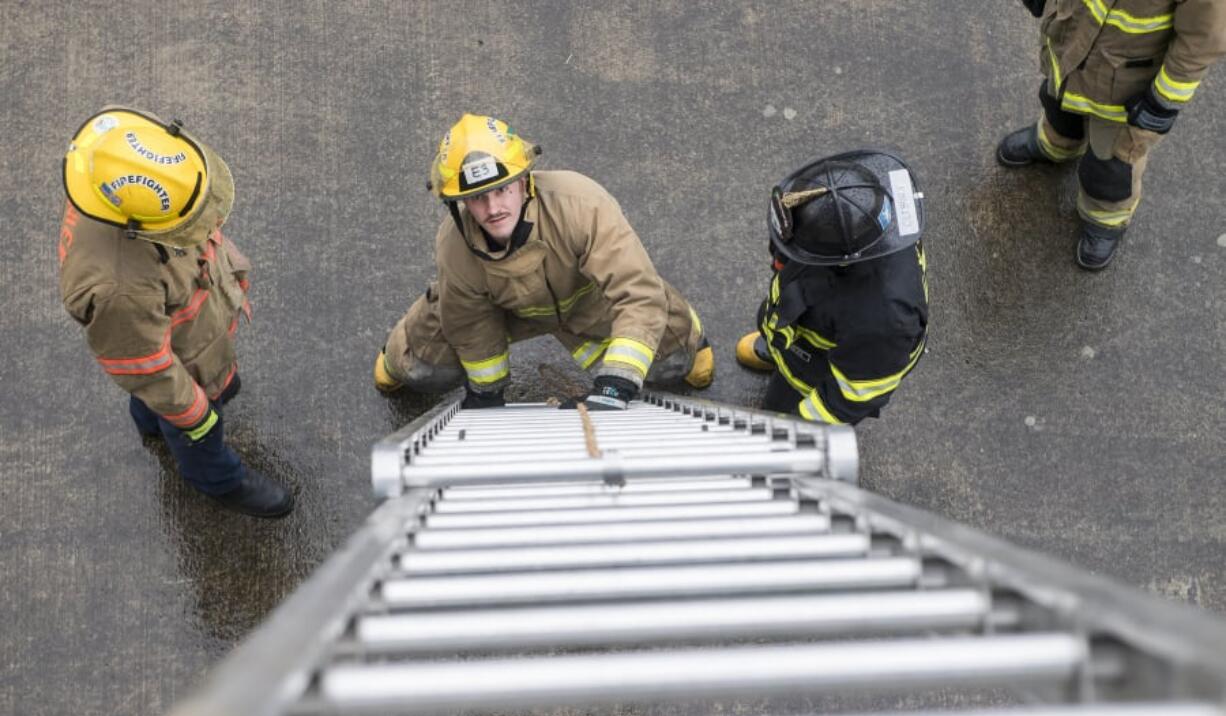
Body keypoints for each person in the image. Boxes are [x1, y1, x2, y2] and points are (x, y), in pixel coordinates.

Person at [374, 113, 714, 411]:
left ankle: (689, 343)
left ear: (524, 181)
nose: (493, 209)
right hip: (505, 312)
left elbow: (637, 293)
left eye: (502, 189)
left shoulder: (582, 204)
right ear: (459, 202)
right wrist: (486, 391)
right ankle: (397, 359)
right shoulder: (454, 244)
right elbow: (470, 322)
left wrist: (616, 384)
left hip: (586, 303)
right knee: (423, 366)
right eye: (477, 197)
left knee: (671, 360)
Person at [58, 107, 293, 518]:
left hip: (188, 339)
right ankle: (219, 482)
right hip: (180, 367)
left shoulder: (114, 176)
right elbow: (145, 365)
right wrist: (195, 412)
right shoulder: (119, 288)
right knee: (196, 429)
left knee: (155, 405)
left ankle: (151, 423)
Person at [999, 0, 1226, 270]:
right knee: (1058, 105)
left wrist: (1162, 102)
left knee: (1111, 164)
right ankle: (1056, 144)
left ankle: (1105, 218)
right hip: (1070, 45)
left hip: (1126, 87)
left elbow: (1202, 41)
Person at [734, 150, 928, 424]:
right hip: (804, 328)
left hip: (819, 366)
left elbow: (854, 394)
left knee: (779, 408)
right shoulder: (874, 216)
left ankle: (785, 401)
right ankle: (778, 352)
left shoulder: (883, 322)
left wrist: (802, 427)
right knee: (787, 349)